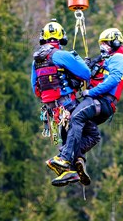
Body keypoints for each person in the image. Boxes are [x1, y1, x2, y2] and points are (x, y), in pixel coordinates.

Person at [50, 27, 123, 187]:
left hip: (101, 101)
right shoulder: (107, 60)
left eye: (105, 43)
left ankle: (65, 158)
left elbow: (113, 80)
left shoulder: (119, 58)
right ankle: (74, 166)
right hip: (100, 103)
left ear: (115, 42)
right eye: (100, 43)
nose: (102, 46)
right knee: (74, 126)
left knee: (76, 117)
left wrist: (91, 92)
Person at [31, 19, 100, 185]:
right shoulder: (61, 55)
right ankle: (64, 157)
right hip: (68, 104)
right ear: (61, 39)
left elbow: (36, 88)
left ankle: (71, 169)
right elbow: (85, 73)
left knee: (70, 135)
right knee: (93, 134)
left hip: (53, 112)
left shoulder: (37, 61)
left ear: (44, 39)